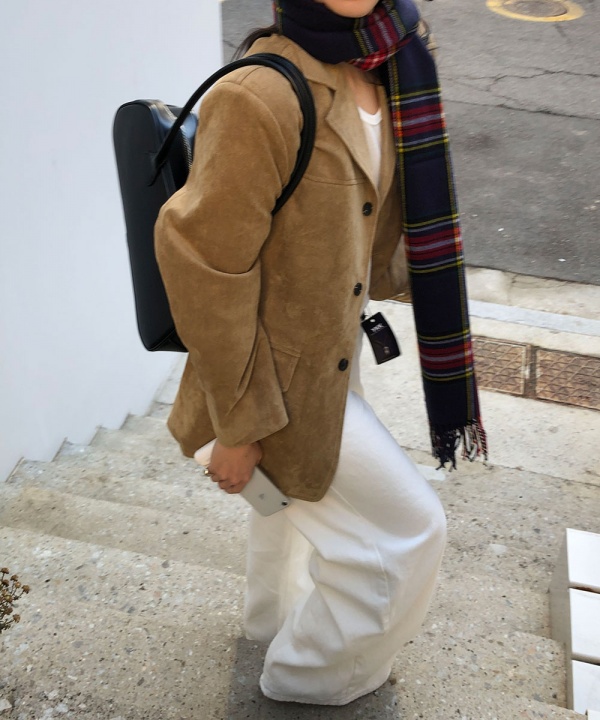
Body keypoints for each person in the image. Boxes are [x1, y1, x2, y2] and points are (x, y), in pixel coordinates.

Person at [155, 0, 486, 706]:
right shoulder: (260, 95)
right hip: (267, 381)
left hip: (331, 350)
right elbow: (204, 267)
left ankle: (268, 630)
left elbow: (368, 225)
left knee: (288, 521)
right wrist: (237, 425)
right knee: (409, 532)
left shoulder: (392, 63)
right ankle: (305, 682)